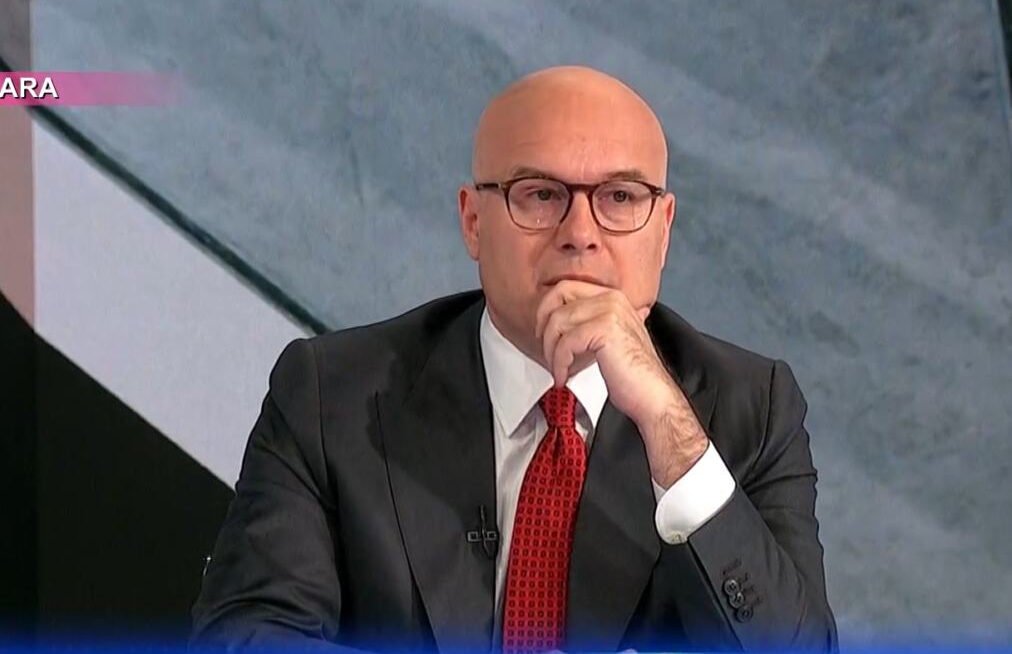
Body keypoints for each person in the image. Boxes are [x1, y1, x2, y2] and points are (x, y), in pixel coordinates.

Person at [189, 66, 838, 653]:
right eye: (540, 195)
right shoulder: (332, 394)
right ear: (474, 221)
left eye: (620, 198)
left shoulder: (753, 409)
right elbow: (243, 635)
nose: (580, 234)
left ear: (663, 229)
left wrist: (670, 429)